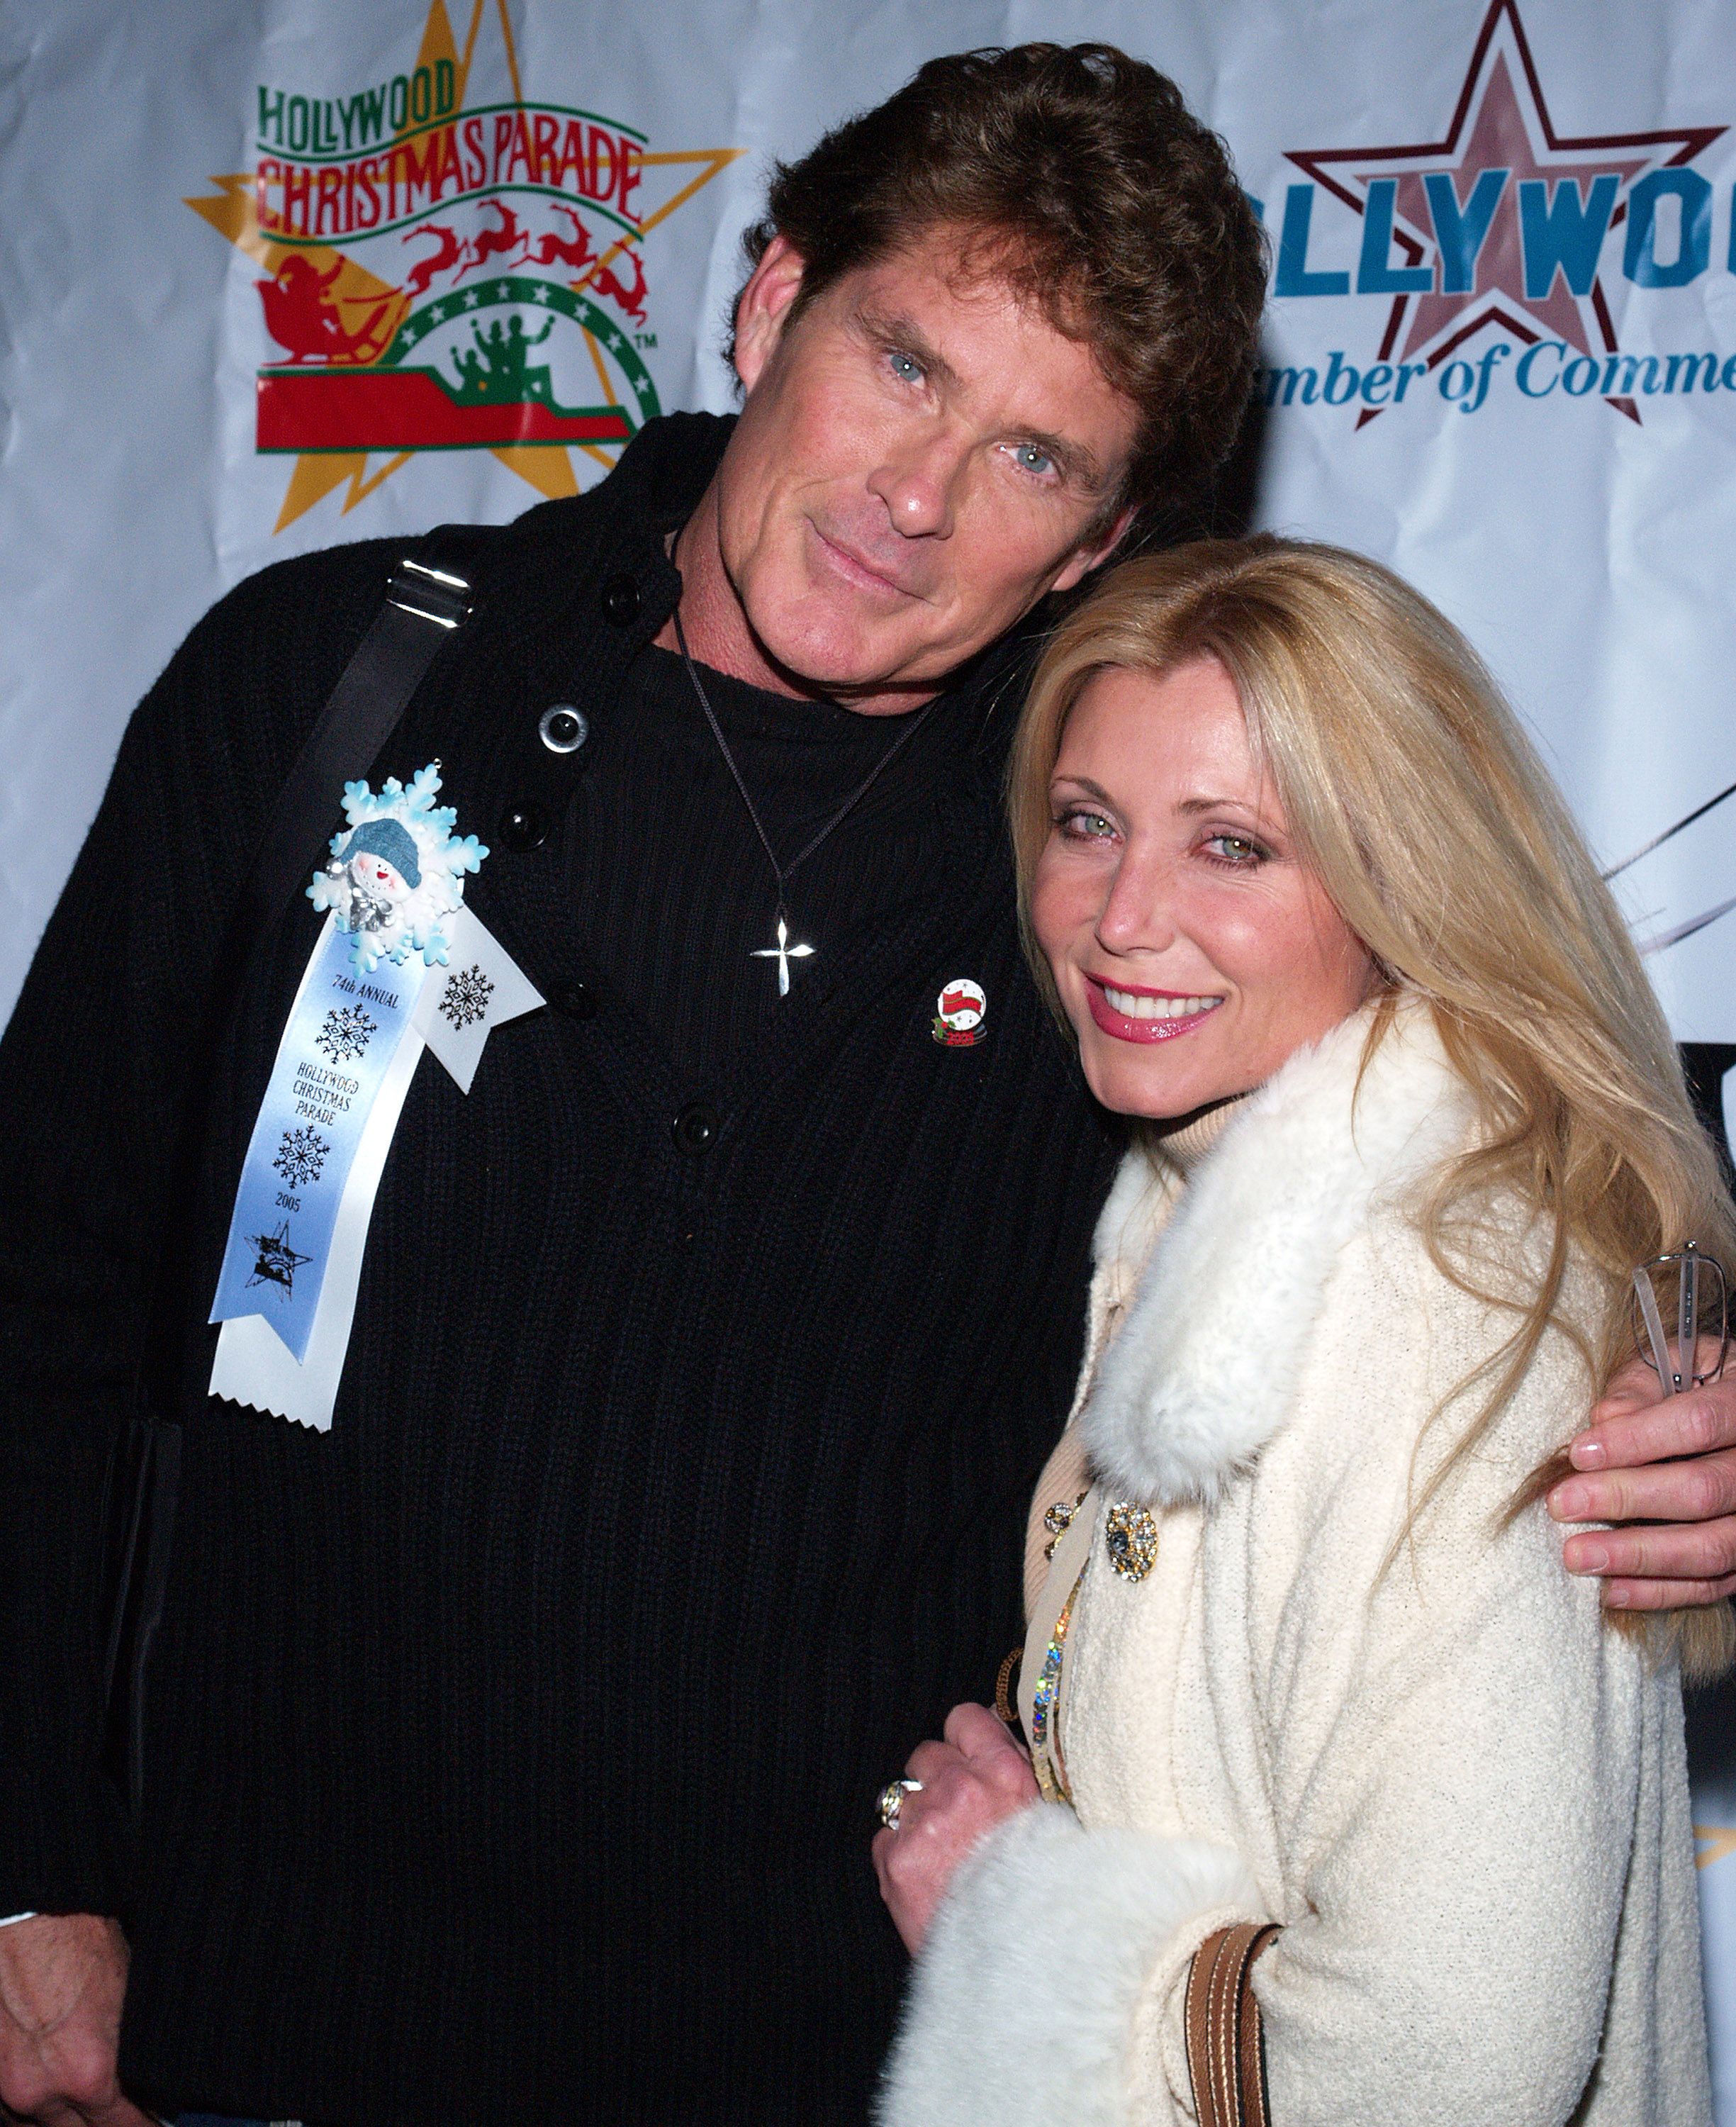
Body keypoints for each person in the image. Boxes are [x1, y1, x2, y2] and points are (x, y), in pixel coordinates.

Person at [0, 43, 1730, 2127]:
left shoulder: (1110, 851)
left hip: (860, 2055)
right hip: (251, 2019)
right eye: (902, 363)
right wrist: (28, 1877)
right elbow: (39, 1301)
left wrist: (1694, 1387)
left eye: (1033, 459)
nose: (918, 496)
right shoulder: (332, 676)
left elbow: (1482, 1130)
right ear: (768, 305)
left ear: (1105, 538)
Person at [873, 537, 1725, 2125]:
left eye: (1234, 847)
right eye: (1088, 824)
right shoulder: (1191, 1204)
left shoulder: (1427, 1305)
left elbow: (1445, 2065)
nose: (1125, 918)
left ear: (1396, 882)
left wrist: (1013, 1917)